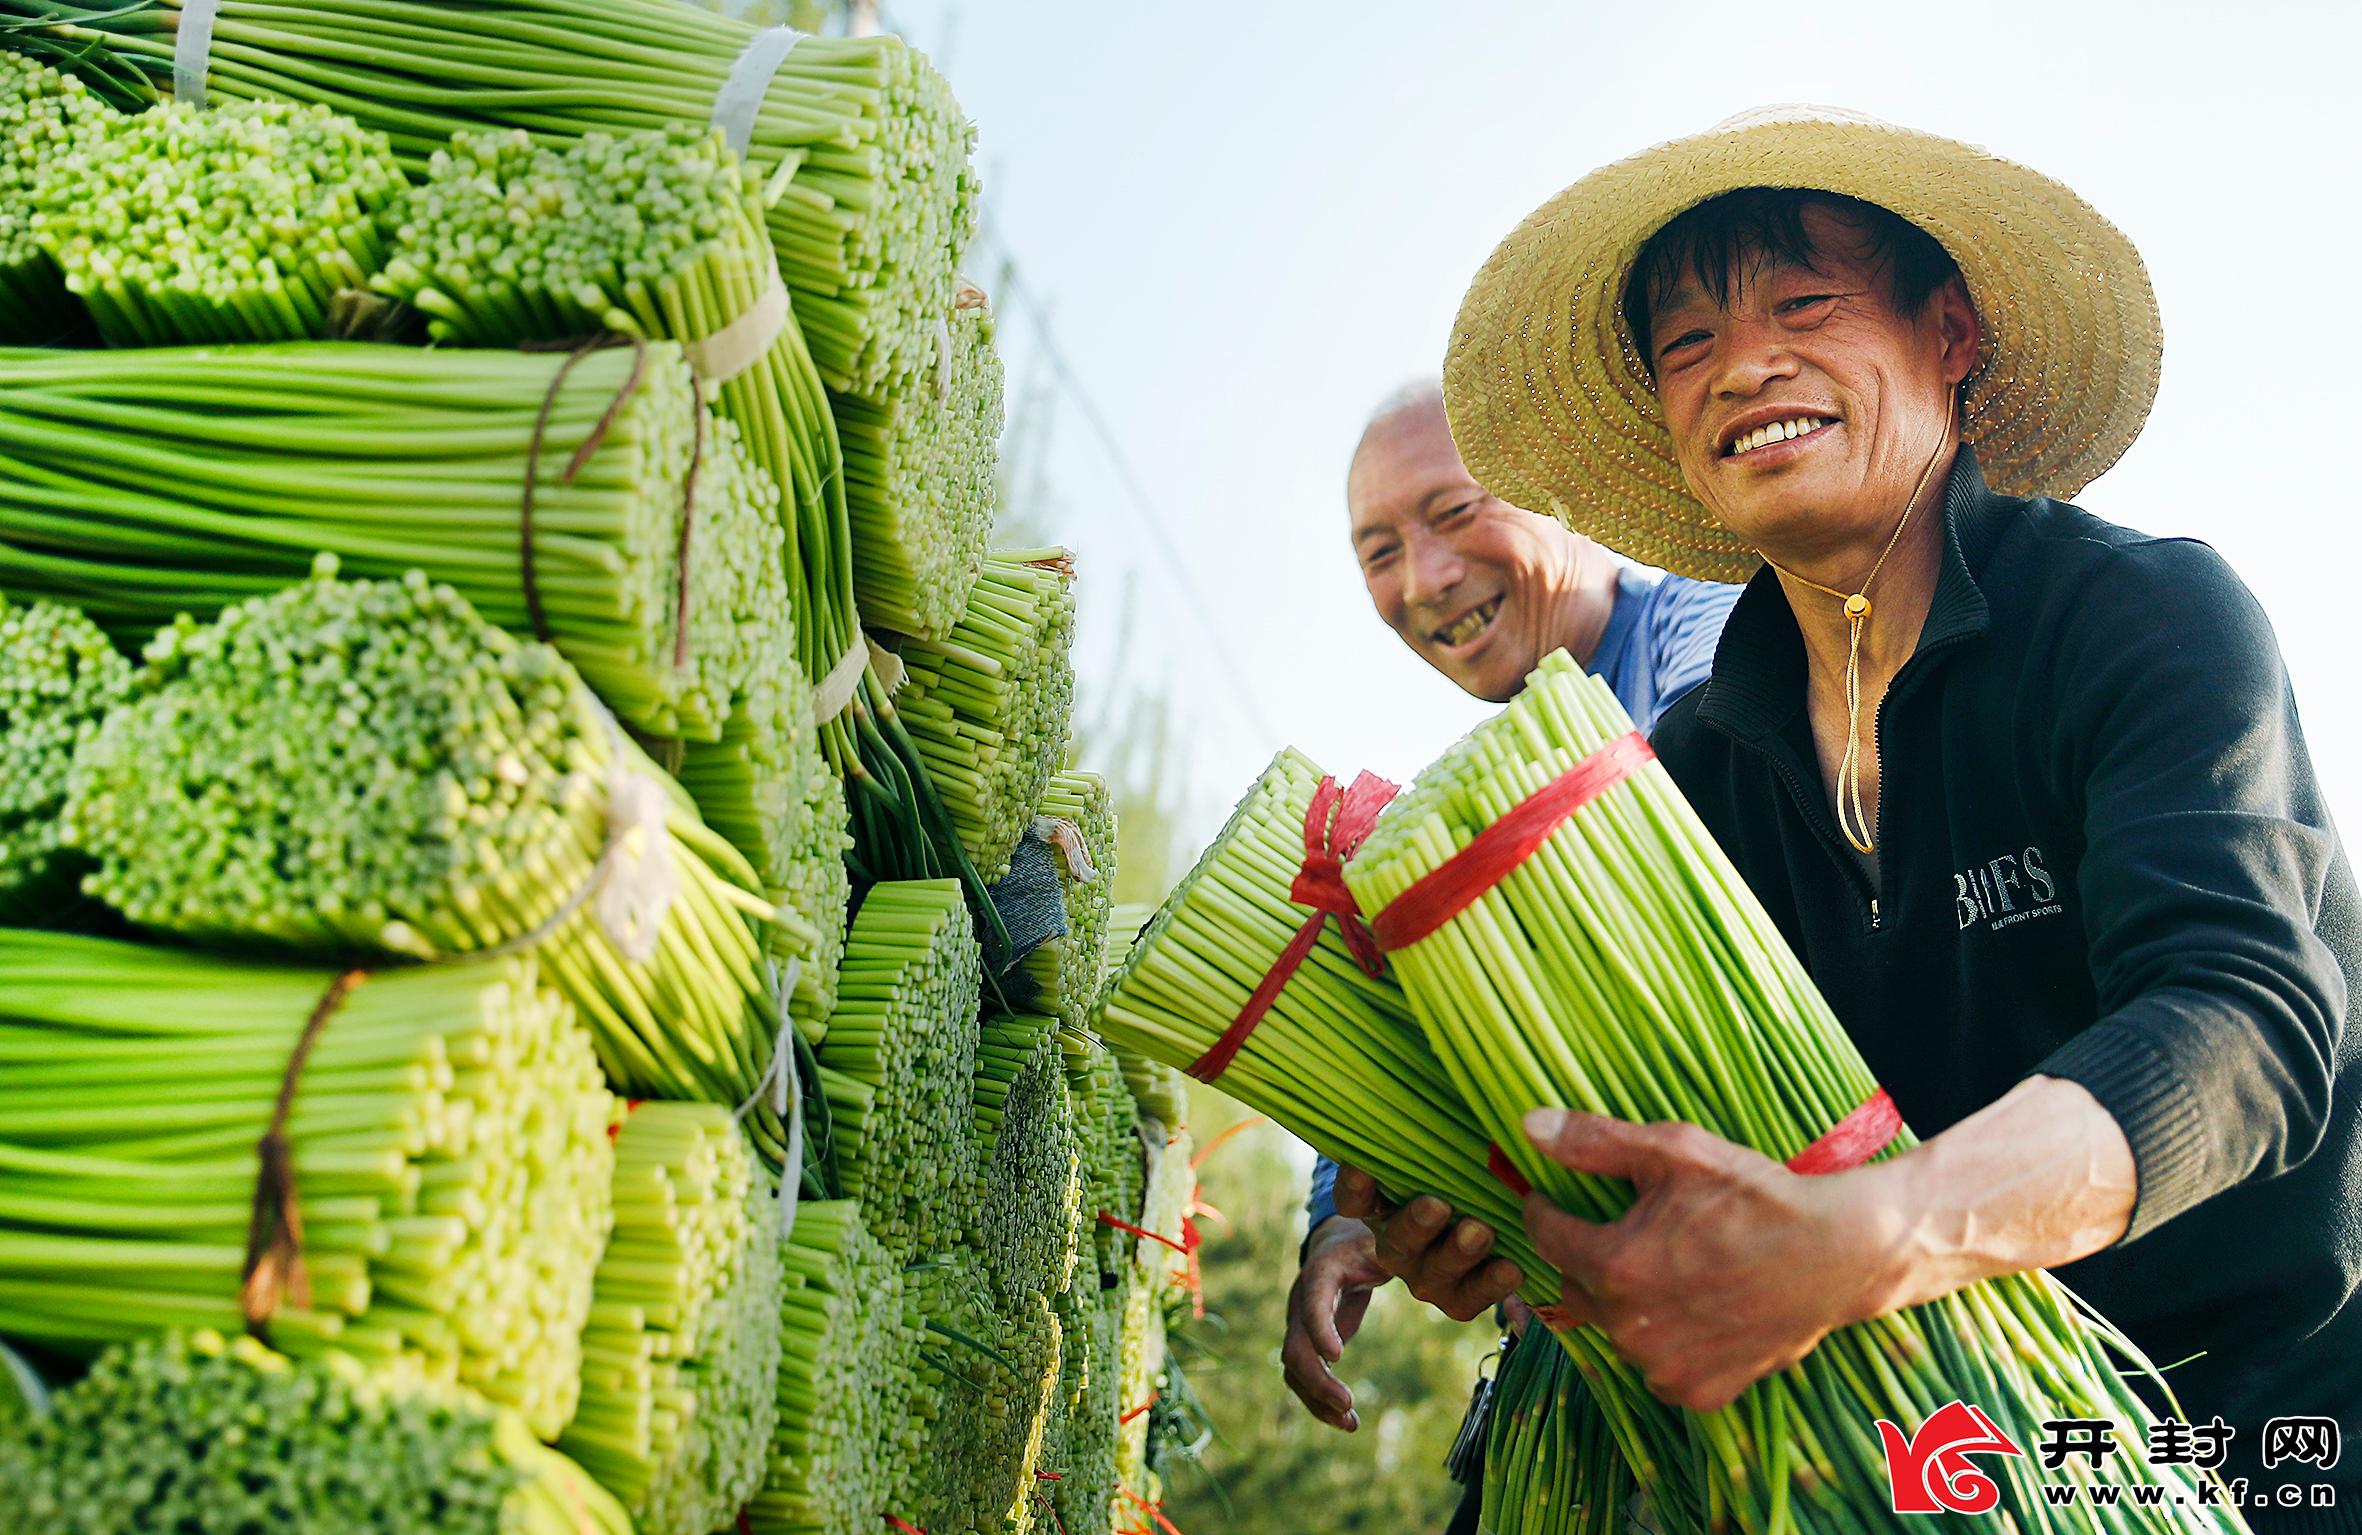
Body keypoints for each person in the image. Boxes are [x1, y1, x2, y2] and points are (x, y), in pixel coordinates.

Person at [1348, 106, 2361, 1524]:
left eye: (1801, 302)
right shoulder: (1693, 767)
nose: (1741, 363)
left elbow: (2244, 1022)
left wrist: (1874, 1228)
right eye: (1685, 342)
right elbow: (1683, 1128)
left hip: (2246, 1441)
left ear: (1949, 331)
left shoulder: (2139, 617)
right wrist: (1473, 1216)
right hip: (1928, 1469)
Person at [1285, 382, 1737, 1517]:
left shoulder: (1707, 621)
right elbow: (1399, 1012)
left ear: (1568, 491)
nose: (1423, 578)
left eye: (1453, 510)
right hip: (1598, 1394)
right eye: (1377, 549)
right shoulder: (1485, 778)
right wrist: (1350, 1209)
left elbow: (1679, 810)